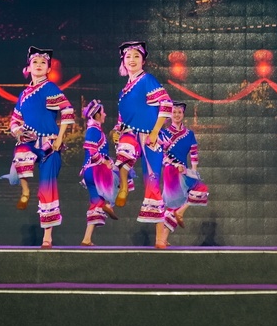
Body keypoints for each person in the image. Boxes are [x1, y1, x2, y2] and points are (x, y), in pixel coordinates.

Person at [7, 46, 75, 248]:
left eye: (43, 63)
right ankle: (25, 191)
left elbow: (68, 111)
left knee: (48, 187)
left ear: (49, 69)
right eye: (34, 62)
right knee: (20, 153)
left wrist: (60, 138)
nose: (38, 65)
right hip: (29, 141)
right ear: (28, 67)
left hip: (49, 143)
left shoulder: (50, 88)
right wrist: (18, 132)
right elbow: (14, 120)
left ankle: (47, 236)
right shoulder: (24, 94)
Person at [112, 40, 174, 248]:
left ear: (143, 61)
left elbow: (166, 104)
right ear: (123, 61)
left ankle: (159, 239)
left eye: (136, 56)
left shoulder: (147, 80)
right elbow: (123, 117)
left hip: (150, 136)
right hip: (130, 133)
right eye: (128, 56)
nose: (132, 60)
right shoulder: (124, 90)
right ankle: (123, 188)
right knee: (124, 154)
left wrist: (155, 131)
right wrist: (116, 130)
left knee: (153, 182)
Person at [158, 101, 209, 247]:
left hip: (184, 171)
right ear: (170, 115)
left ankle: (178, 216)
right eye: (174, 112)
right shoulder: (164, 133)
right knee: (173, 205)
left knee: (200, 190)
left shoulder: (189, 134)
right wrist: (174, 165)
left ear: (183, 114)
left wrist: (194, 171)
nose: (176, 115)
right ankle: (162, 238)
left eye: (179, 112)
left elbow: (194, 154)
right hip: (171, 171)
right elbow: (161, 155)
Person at [79, 99, 119, 247]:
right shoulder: (93, 130)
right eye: (103, 112)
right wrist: (105, 162)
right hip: (96, 170)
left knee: (95, 203)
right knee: (122, 176)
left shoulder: (95, 129)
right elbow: (91, 151)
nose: (105, 114)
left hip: (90, 172)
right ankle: (108, 205)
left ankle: (87, 238)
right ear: (97, 115)